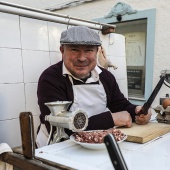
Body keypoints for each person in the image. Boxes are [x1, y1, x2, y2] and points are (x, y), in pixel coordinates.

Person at [36, 25, 151, 148]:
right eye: (74, 50)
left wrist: (137, 111)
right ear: (62, 51)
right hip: (56, 147)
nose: (81, 58)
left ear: (97, 51)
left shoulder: (105, 76)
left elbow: (120, 105)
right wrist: (110, 119)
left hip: (96, 144)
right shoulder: (50, 78)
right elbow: (61, 126)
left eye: (89, 50)